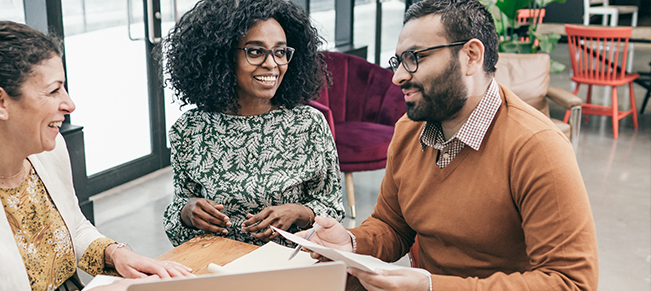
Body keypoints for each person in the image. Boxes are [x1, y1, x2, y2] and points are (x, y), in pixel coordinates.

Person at [299, 0, 599, 290]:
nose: (399, 77)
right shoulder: (408, 131)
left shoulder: (538, 148)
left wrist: (432, 286)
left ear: (470, 56)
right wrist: (351, 242)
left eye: (415, 57)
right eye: (399, 61)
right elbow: (392, 225)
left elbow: (571, 282)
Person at [0, 21, 192, 291]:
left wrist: (116, 254)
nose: (69, 104)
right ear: (0, 102)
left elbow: (73, 227)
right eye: (54, 90)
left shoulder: (46, 151)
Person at [161, 0, 345, 247]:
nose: (272, 64)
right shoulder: (190, 130)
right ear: (222, 56)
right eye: (256, 51)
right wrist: (187, 212)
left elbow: (332, 209)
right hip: (216, 267)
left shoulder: (309, 125)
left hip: (287, 269)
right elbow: (176, 222)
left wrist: (300, 213)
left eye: (280, 52)